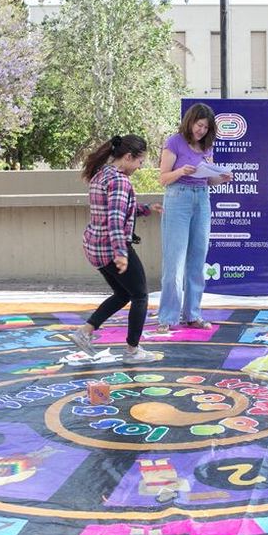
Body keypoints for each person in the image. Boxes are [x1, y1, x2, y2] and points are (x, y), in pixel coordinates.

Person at [71, 135, 163, 364]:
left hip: (95, 247)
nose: (140, 167)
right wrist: (121, 254)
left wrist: (146, 209)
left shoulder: (101, 173)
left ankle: (85, 332)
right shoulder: (120, 181)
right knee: (140, 295)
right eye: (140, 162)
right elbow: (115, 219)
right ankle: (133, 351)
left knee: (123, 294)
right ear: (129, 157)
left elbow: (116, 208)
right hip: (111, 248)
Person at [156, 103, 232, 332]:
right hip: (178, 197)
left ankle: (193, 313)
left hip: (202, 198)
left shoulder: (206, 146)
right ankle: (168, 317)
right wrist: (181, 171)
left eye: (206, 128)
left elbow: (209, 179)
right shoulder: (174, 142)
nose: (201, 131)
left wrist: (222, 177)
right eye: (199, 125)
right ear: (190, 121)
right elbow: (163, 178)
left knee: (198, 259)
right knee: (175, 260)